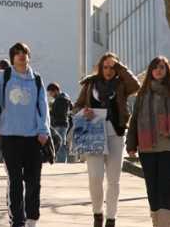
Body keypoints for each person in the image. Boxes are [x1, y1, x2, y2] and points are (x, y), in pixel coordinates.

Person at [0, 42, 50, 227]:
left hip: (33, 138)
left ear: (29, 56)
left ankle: (32, 218)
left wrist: (43, 130)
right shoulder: (3, 76)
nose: (21, 56)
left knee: (33, 181)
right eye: (17, 53)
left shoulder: (36, 79)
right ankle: (17, 220)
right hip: (10, 136)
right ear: (12, 57)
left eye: (24, 53)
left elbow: (43, 107)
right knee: (15, 180)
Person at [74, 52, 139, 227]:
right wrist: (83, 112)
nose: (109, 70)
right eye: (106, 66)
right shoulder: (90, 84)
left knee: (113, 179)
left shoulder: (122, 84)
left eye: (113, 67)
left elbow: (136, 85)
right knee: (95, 177)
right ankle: (97, 213)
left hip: (115, 134)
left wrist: (121, 68)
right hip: (93, 134)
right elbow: (77, 106)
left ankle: (111, 217)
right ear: (100, 67)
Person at [126, 56, 170, 227]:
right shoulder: (143, 94)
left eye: (162, 67)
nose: (159, 70)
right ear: (151, 70)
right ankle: (157, 222)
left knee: (165, 188)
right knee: (152, 189)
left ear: (166, 71)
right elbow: (135, 119)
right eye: (155, 67)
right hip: (147, 148)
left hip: (167, 147)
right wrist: (131, 144)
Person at [46, 82, 72, 163]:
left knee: (60, 143)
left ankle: (61, 161)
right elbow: (71, 107)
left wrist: (50, 112)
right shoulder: (65, 98)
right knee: (60, 142)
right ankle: (61, 160)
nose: (50, 95)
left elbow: (59, 113)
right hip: (63, 123)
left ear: (56, 91)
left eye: (51, 92)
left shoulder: (61, 99)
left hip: (59, 124)